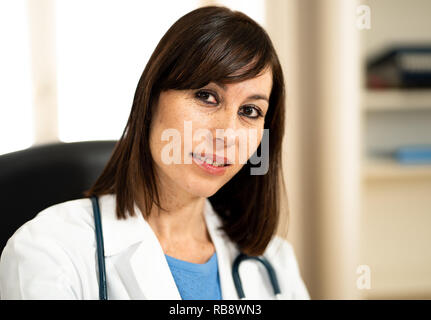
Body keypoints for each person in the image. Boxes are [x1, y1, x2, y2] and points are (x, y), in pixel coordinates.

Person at [0, 6, 309, 300]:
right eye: (206, 95)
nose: (227, 134)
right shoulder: (49, 250)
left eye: (250, 110)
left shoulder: (274, 262)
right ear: (150, 100)